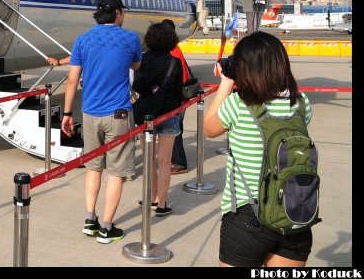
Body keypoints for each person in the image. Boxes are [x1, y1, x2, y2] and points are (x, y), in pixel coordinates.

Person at [203, 31, 313, 267]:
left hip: (247, 217)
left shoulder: (238, 105)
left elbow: (209, 129)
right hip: (293, 213)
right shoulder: (301, 103)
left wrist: (226, 82)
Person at [57, 0, 141, 244]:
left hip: (90, 114)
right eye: (122, 12)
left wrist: (68, 113)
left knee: (93, 168)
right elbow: (136, 67)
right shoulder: (130, 38)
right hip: (118, 114)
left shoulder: (83, 40)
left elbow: (72, 79)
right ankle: (106, 227)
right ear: (117, 13)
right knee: (116, 172)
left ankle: (90, 219)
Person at [134, 21, 183, 216]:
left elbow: (137, 85)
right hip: (169, 113)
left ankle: (151, 197)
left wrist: (150, 90)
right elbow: (178, 92)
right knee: (164, 161)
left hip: (146, 114)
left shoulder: (142, 60)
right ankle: (162, 203)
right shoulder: (175, 62)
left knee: (148, 159)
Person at [162, 18, 191, 175]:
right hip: (180, 95)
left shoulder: (171, 51)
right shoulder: (176, 48)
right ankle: (176, 160)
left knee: (175, 130)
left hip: (177, 96)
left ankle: (180, 163)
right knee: (176, 128)